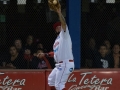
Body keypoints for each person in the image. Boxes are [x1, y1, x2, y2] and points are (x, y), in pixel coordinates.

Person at [38, 6, 74, 90]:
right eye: (56, 27)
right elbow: (56, 53)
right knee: (51, 80)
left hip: (66, 63)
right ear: (55, 30)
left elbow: (64, 23)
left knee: (59, 85)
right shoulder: (56, 41)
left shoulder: (65, 35)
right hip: (59, 64)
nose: (58, 27)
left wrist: (59, 13)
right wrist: (45, 54)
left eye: (59, 26)